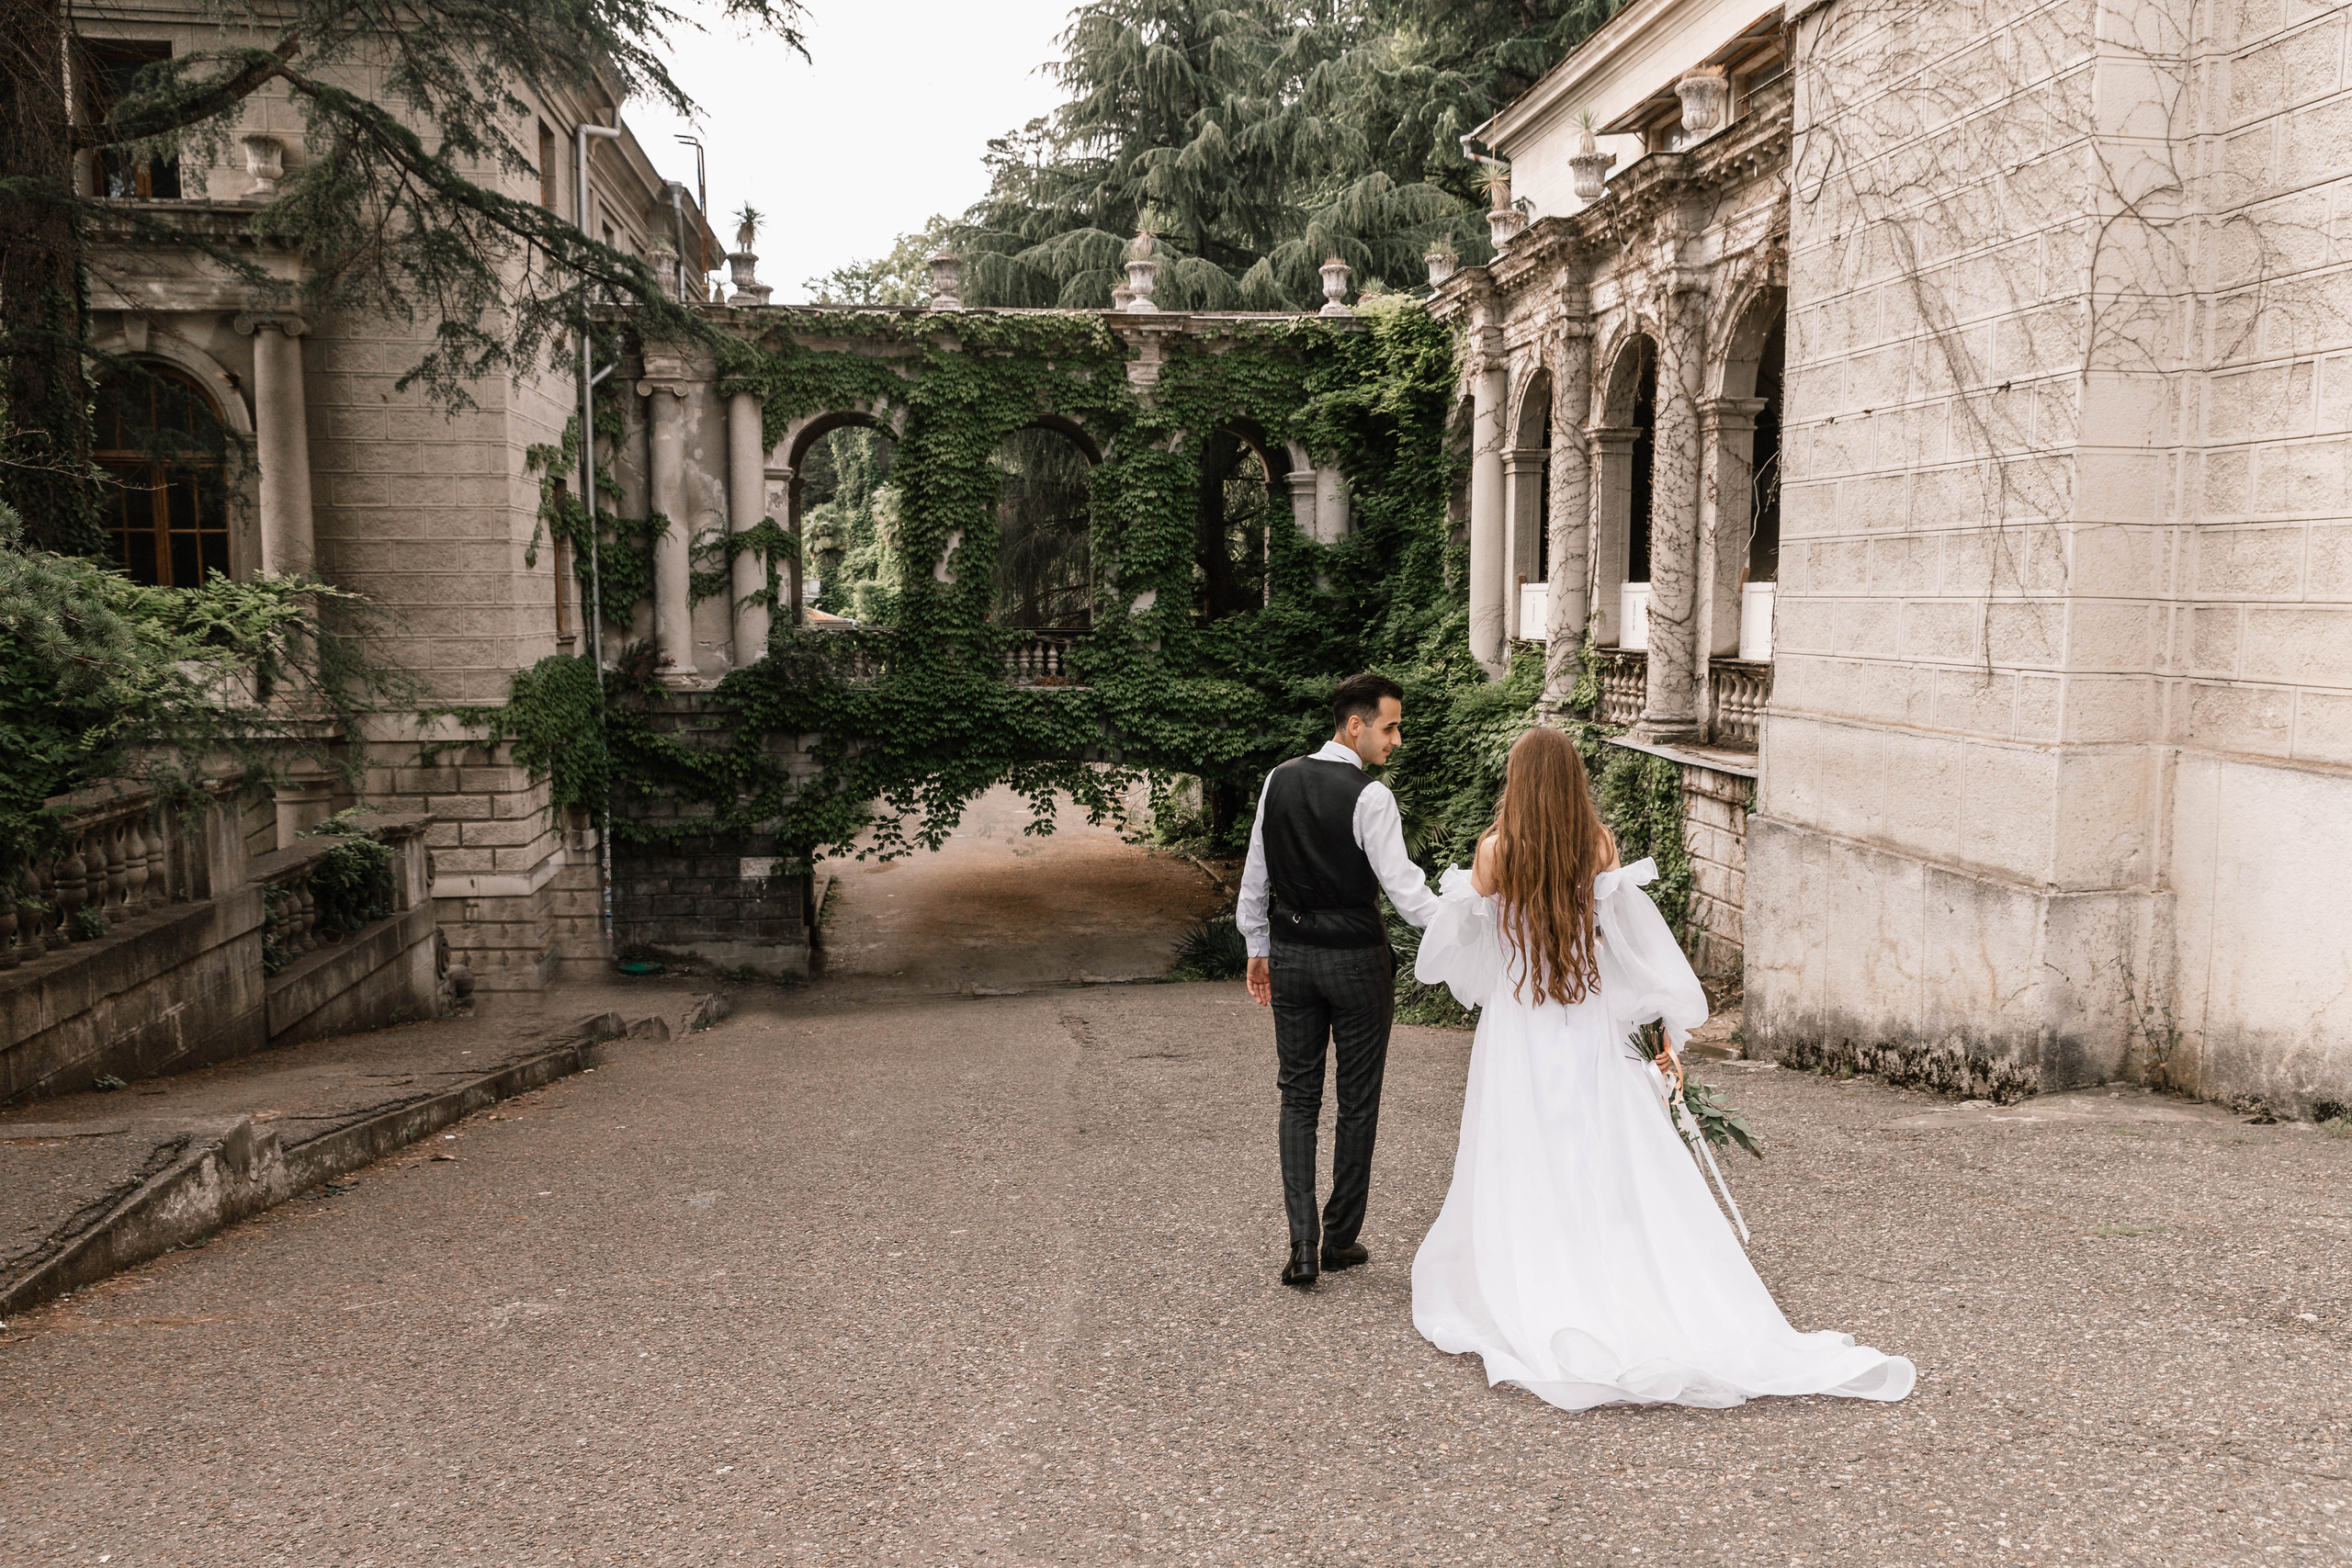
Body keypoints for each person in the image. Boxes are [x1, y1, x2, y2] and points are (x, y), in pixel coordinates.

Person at [1409, 725, 1916, 1410]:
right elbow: (1633, 948)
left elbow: (1455, 947)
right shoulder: (1598, 846)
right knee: (1601, 1149)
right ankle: (1619, 1268)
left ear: (1518, 781)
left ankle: (1537, 1267)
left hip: (1520, 1023)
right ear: (1572, 781)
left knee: (1523, 1148)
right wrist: (1664, 1026)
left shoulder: (1495, 853)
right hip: (1586, 1020)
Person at [1238, 672, 1442, 1288]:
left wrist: (1257, 944)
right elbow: (1407, 894)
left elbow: (1256, 873)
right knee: (1358, 1100)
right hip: (1356, 962)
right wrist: (1466, 928)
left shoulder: (1279, 779)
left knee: (1298, 1097)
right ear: (1355, 725)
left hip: (1295, 955)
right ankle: (1340, 1236)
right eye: (1390, 726)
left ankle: (1302, 1244)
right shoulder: (1371, 798)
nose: (1396, 739)